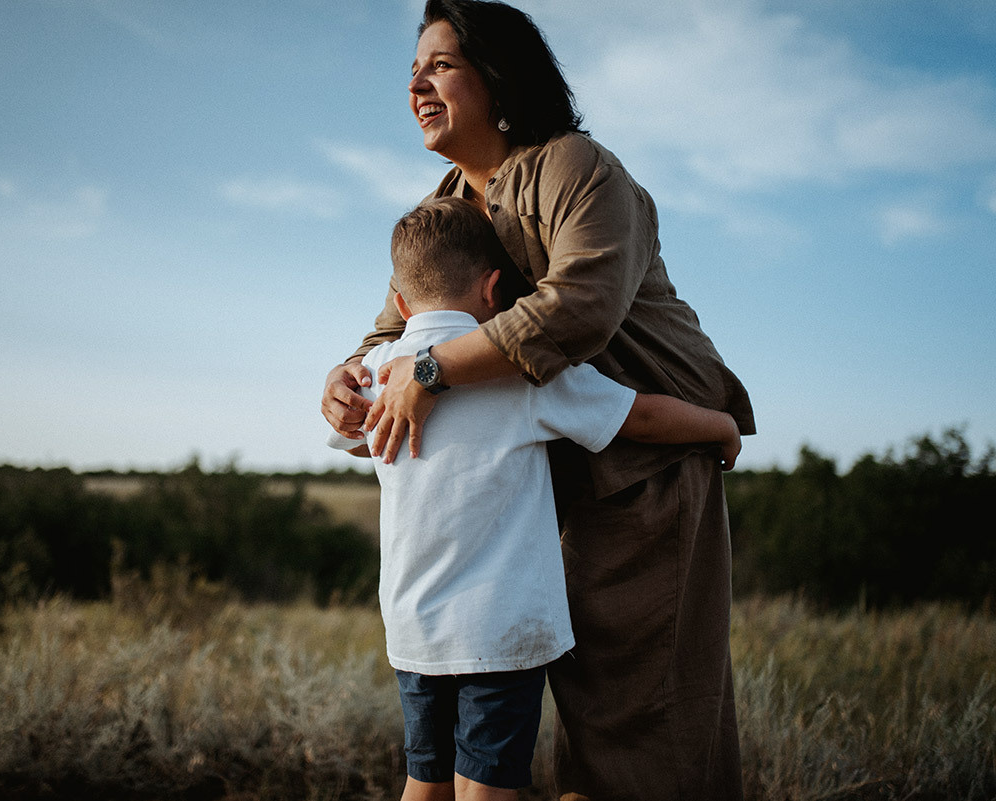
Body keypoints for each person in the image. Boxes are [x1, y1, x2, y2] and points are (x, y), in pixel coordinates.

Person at [321, 2, 756, 799]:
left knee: (643, 717)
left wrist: (429, 372)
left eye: (441, 63)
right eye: (412, 69)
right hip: (545, 478)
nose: (417, 82)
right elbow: (397, 325)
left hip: (649, 459)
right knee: (564, 713)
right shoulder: (449, 203)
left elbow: (578, 307)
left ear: (498, 74)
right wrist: (348, 380)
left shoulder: (574, 166)